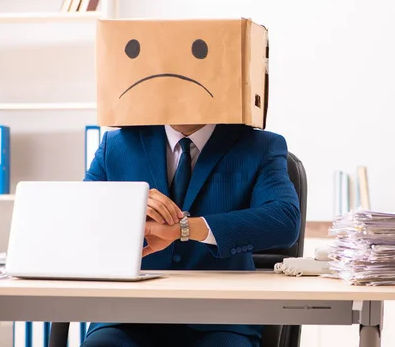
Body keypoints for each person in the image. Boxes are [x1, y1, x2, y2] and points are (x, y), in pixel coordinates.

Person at [80, 122, 301, 347]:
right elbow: (78, 218)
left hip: (222, 318)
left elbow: (284, 220)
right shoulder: (117, 144)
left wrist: (183, 229)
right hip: (128, 317)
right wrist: (127, 203)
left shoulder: (260, 145)